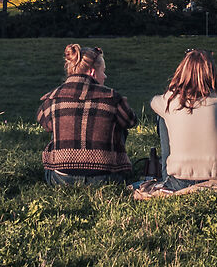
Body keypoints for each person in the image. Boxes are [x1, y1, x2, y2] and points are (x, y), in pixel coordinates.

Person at [147, 49, 217, 187]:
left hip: (179, 181)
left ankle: (170, 164)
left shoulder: (170, 100)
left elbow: (152, 102)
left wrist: (173, 93)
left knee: (163, 116)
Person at [37, 43, 140, 185]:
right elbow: (131, 121)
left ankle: (66, 164)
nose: (105, 76)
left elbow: (45, 124)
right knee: (119, 122)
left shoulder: (52, 99)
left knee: (57, 124)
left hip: (61, 179)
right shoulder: (112, 98)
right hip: (106, 178)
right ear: (92, 72)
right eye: (103, 71)